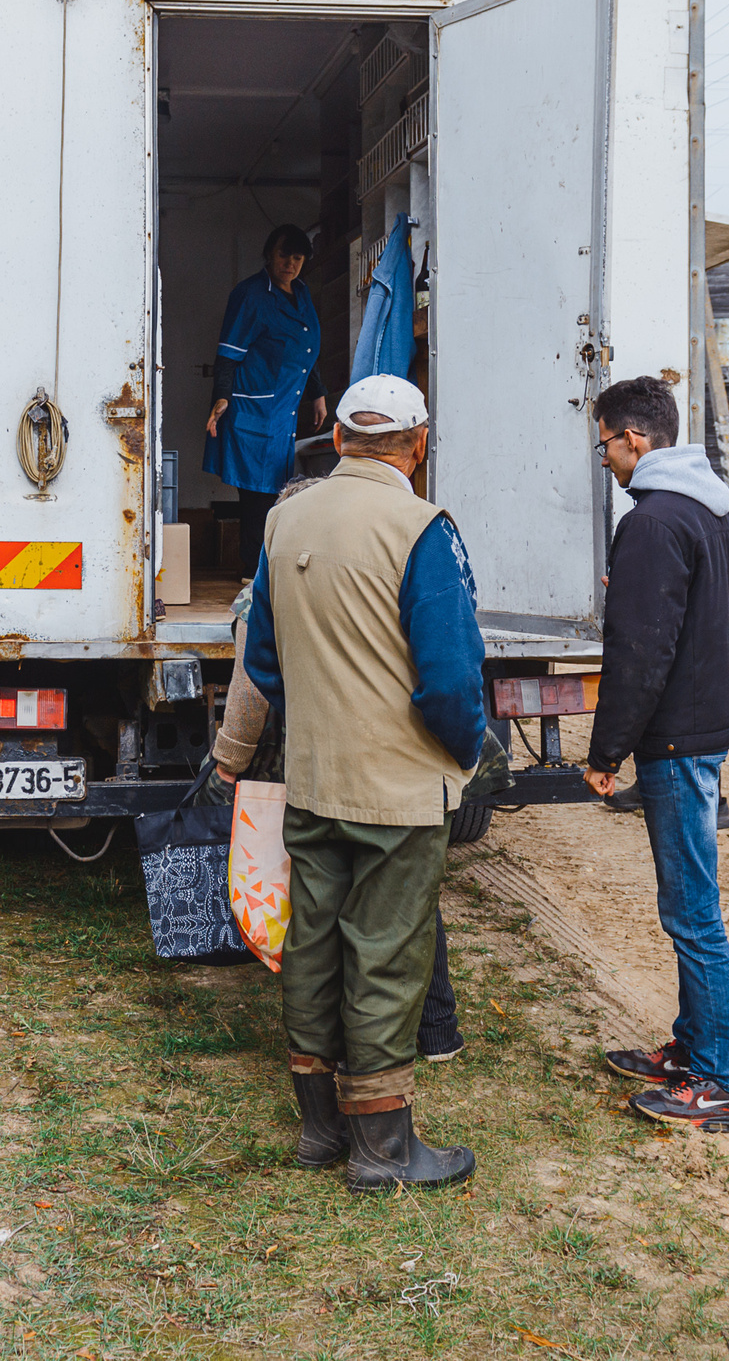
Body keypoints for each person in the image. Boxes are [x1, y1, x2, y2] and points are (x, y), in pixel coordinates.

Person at [242, 374, 482, 1193]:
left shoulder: (283, 520)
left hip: (313, 779)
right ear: (418, 444)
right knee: (384, 949)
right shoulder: (422, 529)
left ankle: (319, 1127)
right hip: (398, 789)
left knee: (312, 942)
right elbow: (450, 680)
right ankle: (382, 1147)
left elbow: (264, 662)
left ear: (338, 439)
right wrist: (465, 755)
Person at [206, 478, 469, 1065]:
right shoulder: (382, 566)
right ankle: (436, 1028)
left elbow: (254, 686)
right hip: (394, 762)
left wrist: (229, 758)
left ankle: (342, 1057)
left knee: (328, 912)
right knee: (406, 904)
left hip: (316, 763)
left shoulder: (267, 593)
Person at [581, 376, 729, 1130]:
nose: (606, 456)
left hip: (675, 737)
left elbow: (639, 650)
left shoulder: (651, 523)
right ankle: (688, 1049)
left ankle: (714, 1080)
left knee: (692, 913)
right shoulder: (712, 511)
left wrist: (608, 748)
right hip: (701, 725)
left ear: (635, 438)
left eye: (606, 441)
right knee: (689, 904)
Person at [205, 223, 329, 569]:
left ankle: (268, 569)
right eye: (283, 255)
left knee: (277, 490)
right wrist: (221, 397)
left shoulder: (302, 294)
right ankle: (251, 572)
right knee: (257, 494)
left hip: (284, 409)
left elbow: (306, 350)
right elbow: (228, 352)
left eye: (298, 257)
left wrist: (317, 394)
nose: (290, 263)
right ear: (269, 255)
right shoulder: (251, 294)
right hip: (252, 409)